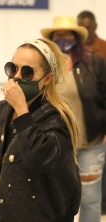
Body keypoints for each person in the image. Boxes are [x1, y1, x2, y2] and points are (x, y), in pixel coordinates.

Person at [0, 38, 81, 222]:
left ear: (48, 78)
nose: (17, 76)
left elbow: (39, 160)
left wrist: (22, 110)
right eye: (13, 68)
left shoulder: (57, 117)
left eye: (27, 72)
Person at [41, 15, 106, 222]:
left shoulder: (94, 63)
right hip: (55, 146)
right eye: (58, 34)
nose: (63, 38)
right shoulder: (44, 66)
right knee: (55, 198)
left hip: (91, 144)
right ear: (51, 38)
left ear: (76, 37)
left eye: (67, 34)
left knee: (89, 199)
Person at [77, 10, 106, 214]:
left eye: (88, 26)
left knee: (95, 188)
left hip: (97, 128)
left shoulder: (103, 50)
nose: (86, 29)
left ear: (95, 25)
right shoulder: (73, 54)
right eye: (82, 26)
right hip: (77, 129)